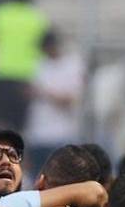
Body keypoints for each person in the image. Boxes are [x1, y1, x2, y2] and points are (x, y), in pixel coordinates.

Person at [0, 0, 49, 130]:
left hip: (2, 72)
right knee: (19, 126)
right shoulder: (37, 17)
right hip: (26, 74)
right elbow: (44, 46)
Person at [24, 30, 84, 177]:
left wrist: (45, 93)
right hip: (38, 133)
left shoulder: (73, 65)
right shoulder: (39, 65)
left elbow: (71, 99)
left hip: (62, 134)